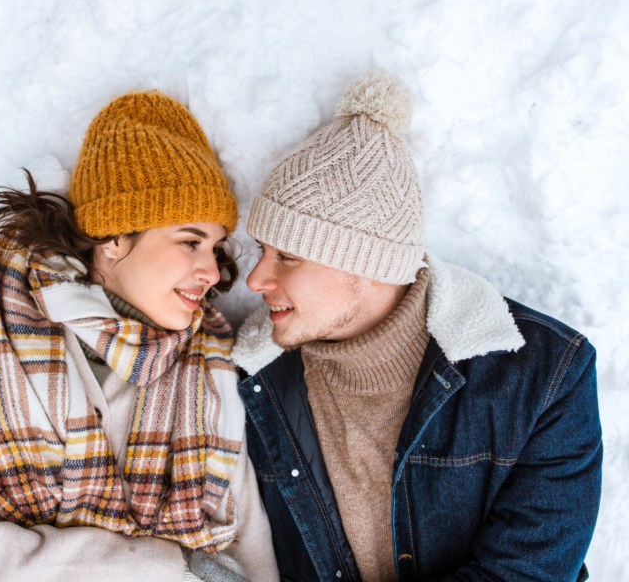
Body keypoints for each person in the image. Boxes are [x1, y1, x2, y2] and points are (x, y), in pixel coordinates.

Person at [0, 90, 278, 582]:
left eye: (215, 248)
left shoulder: (210, 369)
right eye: (190, 241)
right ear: (114, 237)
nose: (212, 272)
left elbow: (248, 542)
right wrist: (169, 568)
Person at [231, 71, 601, 582]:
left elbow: (525, 572)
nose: (256, 279)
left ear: (363, 262)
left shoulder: (543, 376)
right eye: (262, 252)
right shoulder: (249, 381)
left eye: (287, 257)